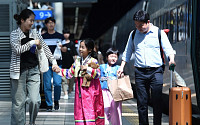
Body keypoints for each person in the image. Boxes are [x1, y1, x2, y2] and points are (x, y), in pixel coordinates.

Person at [117, 10, 176, 125]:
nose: (138, 28)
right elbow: (127, 52)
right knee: (142, 103)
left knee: (157, 101)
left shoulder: (158, 33)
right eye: (136, 25)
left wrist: (172, 60)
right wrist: (121, 67)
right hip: (140, 72)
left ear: (148, 22)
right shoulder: (133, 34)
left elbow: (168, 49)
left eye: (140, 25)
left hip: (156, 71)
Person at [10, 9, 60, 125]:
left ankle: (32, 122)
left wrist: (54, 62)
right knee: (18, 104)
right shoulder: (14, 34)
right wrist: (31, 43)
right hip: (18, 72)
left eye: (33, 21)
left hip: (34, 70)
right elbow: (17, 50)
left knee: (35, 100)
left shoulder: (35, 33)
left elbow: (45, 48)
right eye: (30, 20)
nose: (32, 23)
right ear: (22, 20)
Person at [61, 38, 104, 124]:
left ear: (90, 50)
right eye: (80, 47)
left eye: (83, 47)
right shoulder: (77, 61)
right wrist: (58, 70)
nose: (80, 49)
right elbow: (69, 73)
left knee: (90, 113)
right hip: (79, 93)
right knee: (79, 114)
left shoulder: (93, 61)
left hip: (91, 93)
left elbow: (98, 74)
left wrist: (87, 68)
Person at [42, 17, 65, 111]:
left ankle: (56, 100)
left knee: (57, 83)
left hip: (58, 63)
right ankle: (49, 104)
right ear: (46, 25)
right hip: (46, 64)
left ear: (55, 24)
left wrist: (62, 48)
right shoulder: (42, 37)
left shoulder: (60, 36)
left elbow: (64, 50)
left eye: (52, 23)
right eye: (49, 23)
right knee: (47, 85)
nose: (51, 24)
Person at [99, 48, 122, 125]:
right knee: (106, 107)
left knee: (116, 110)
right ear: (107, 57)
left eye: (115, 57)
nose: (113, 58)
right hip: (104, 90)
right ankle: (105, 123)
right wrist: (105, 78)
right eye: (111, 56)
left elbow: (121, 78)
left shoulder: (118, 68)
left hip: (115, 92)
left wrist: (120, 75)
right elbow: (98, 77)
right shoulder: (102, 67)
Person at [61, 28, 78, 99]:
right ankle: (65, 93)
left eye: (67, 33)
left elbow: (75, 54)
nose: (66, 35)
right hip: (63, 64)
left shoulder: (72, 43)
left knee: (71, 79)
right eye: (65, 33)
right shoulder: (60, 43)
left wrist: (76, 63)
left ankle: (70, 90)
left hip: (71, 64)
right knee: (63, 79)